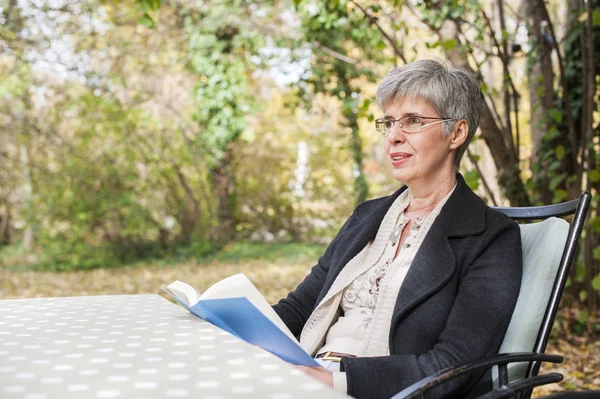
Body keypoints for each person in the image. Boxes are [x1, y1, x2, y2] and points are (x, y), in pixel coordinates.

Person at [273, 59, 522, 399]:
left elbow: (455, 364)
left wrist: (335, 379)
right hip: (305, 371)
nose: (393, 137)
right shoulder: (367, 216)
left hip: (373, 390)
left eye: (413, 121)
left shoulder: (490, 237)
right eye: (388, 123)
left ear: (457, 133)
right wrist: (231, 323)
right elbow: (300, 307)